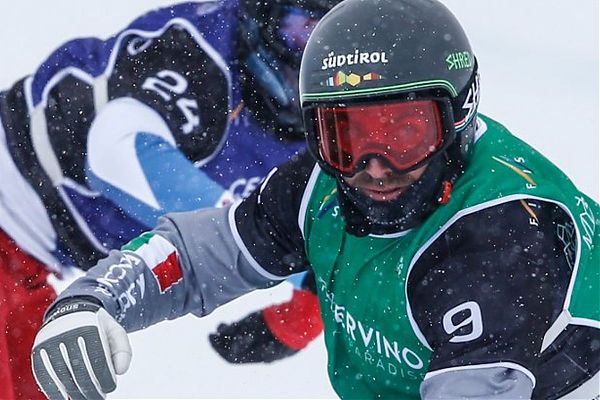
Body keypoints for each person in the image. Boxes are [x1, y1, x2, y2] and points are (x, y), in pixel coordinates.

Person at [30, 0, 600, 398]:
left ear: (458, 116)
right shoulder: (323, 185)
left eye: (404, 133)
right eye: (345, 135)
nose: (374, 167)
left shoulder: (496, 241)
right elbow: (203, 254)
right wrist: (99, 298)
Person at [0, 0, 339, 398]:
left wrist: (301, 316)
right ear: (263, 13)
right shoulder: (199, 48)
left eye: (330, 41)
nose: (312, 54)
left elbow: (324, 226)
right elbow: (117, 152)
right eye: (302, 28)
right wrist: (290, 261)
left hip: (30, 262)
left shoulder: (328, 126)